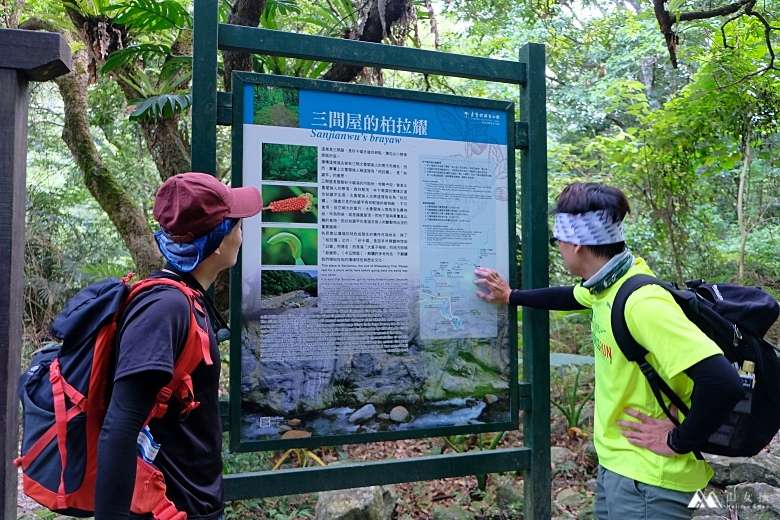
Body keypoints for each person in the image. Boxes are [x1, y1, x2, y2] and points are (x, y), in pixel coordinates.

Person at [474, 182, 744, 519]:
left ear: (575, 245)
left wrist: (678, 440)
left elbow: (724, 381)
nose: (557, 247)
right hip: (621, 470)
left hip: (649, 481)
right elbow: (570, 296)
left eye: (557, 241)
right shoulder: (608, 285)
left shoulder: (641, 303)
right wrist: (512, 296)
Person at [95, 172, 262, 520]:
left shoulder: (186, 298)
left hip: (192, 500)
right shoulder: (165, 308)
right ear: (217, 242)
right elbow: (120, 425)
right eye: (236, 223)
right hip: (169, 507)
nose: (241, 231)